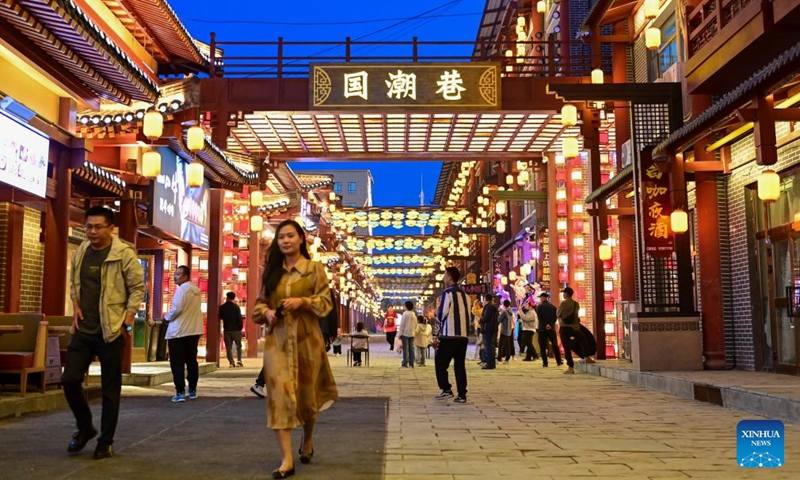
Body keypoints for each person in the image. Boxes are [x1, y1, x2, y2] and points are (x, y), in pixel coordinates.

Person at [251, 220, 337, 479]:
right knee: (279, 397)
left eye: (290, 236)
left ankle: (307, 439)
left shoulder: (314, 269)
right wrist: (266, 313)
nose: (285, 241)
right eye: (281, 237)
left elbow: (325, 302)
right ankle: (287, 460)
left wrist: (303, 301)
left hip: (307, 341)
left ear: (301, 239)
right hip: (277, 342)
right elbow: (258, 305)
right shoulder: (272, 272)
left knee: (307, 401)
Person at [62, 206, 144, 460]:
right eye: (89, 227)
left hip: (111, 331)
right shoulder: (82, 252)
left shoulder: (123, 254)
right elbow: (75, 283)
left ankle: (105, 441)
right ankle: (85, 427)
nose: (92, 232)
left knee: (110, 390)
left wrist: (126, 323)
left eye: (98, 227)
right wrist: (75, 306)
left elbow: (137, 289)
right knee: (69, 380)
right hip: (84, 329)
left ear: (111, 228)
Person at [162, 265, 203, 402]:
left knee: (177, 363)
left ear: (185, 276)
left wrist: (167, 317)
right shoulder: (196, 290)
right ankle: (192, 389)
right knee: (191, 361)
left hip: (179, 332)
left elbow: (177, 309)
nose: (175, 276)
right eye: (175, 273)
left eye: (178, 274)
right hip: (193, 330)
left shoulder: (182, 290)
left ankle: (180, 391)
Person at [433, 267, 471, 403]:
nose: (443, 278)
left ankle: (446, 389)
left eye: (444, 275)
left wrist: (436, 314)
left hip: (449, 335)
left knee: (440, 362)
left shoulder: (447, 293)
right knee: (459, 365)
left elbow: (442, 315)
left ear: (449, 277)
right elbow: (469, 317)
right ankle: (462, 394)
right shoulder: (465, 296)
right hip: (463, 336)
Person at [556, 287, 594, 374]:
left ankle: (570, 367)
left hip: (565, 328)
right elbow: (576, 316)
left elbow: (558, 314)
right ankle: (587, 357)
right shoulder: (576, 304)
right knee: (583, 339)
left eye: (564, 293)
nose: (563, 295)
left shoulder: (563, 303)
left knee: (566, 347)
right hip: (574, 327)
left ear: (566, 294)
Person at [536, 292, 562, 368]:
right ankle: (558, 361)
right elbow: (555, 317)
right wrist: (550, 324)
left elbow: (540, 317)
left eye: (541, 297)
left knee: (542, 345)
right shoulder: (553, 307)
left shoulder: (539, 307)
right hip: (551, 328)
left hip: (542, 328)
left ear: (543, 298)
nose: (540, 299)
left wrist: (545, 324)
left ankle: (545, 362)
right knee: (555, 345)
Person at [220, 291, 244, 368]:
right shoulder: (236, 307)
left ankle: (231, 362)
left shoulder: (222, 307)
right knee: (238, 346)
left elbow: (220, 317)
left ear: (227, 297)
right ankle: (239, 361)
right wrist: (240, 328)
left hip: (227, 330)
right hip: (236, 330)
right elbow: (239, 319)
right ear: (233, 298)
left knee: (228, 347)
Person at [479, 293, 499, 370]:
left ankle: (490, 363)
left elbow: (486, 318)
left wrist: (481, 320)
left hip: (488, 329)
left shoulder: (489, 307)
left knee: (488, 347)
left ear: (485, 299)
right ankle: (491, 363)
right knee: (490, 346)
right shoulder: (493, 306)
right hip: (492, 329)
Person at [399, 301, 417, 368]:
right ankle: (411, 363)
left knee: (405, 349)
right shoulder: (414, 314)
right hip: (412, 333)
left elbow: (402, 325)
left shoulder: (405, 314)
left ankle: (405, 363)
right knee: (411, 348)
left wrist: (400, 333)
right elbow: (416, 324)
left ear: (406, 306)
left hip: (405, 333)